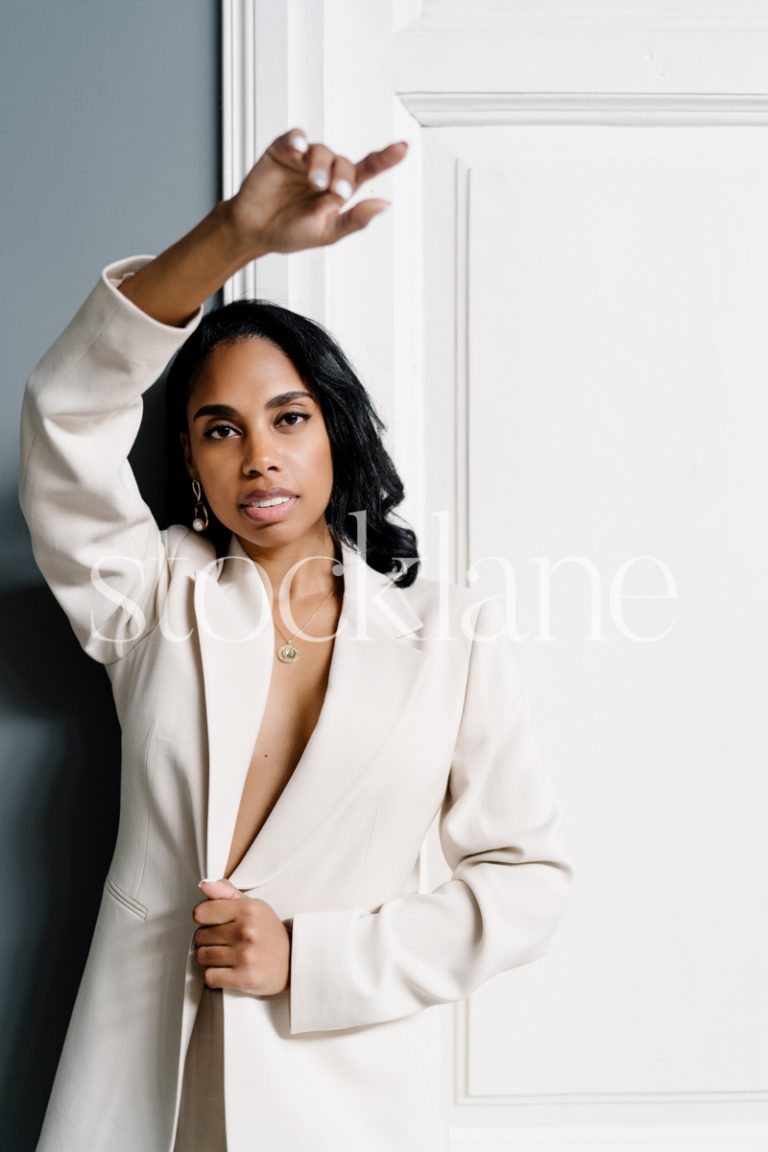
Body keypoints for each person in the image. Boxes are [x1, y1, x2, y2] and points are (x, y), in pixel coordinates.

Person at [19, 127, 574, 1152]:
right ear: (190, 462)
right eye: (221, 429)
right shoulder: (149, 595)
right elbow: (68, 410)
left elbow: (526, 879)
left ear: (336, 432)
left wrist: (310, 961)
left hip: (342, 1102)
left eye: (289, 418)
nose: (259, 458)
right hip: (137, 1094)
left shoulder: (445, 633)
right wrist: (236, 234)